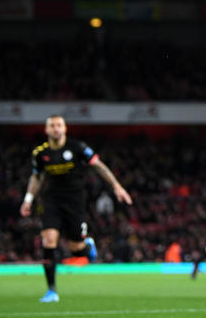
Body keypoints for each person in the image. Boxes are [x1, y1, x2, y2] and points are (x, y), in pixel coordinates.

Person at [19, 115, 132, 303]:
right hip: (52, 201)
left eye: (59, 125)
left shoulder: (78, 147)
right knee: (48, 242)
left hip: (75, 202)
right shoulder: (40, 153)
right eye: (52, 126)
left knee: (77, 250)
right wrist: (28, 199)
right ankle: (51, 291)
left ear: (65, 129)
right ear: (46, 130)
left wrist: (116, 186)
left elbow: (99, 167)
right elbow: (37, 177)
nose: (56, 128)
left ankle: (87, 245)